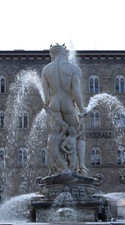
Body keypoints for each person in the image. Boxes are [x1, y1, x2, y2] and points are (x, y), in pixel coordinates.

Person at [42, 44, 87, 174]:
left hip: (54, 104)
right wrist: (81, 109)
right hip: (68, 103)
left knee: (56, 135)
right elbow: (76, 92)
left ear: (52, 54)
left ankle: (59, 169)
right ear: (65, 53)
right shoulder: (74, 69)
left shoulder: (46, 69)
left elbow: (46, 94)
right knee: (79, 134)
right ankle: (81, 167)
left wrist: (47, 106)